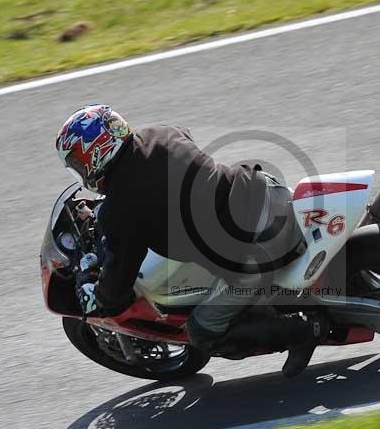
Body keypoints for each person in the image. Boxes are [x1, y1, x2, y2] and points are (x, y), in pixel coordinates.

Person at [55, 104, 328, 377]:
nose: (80, 170)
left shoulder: (121, 210)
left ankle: (302, 332)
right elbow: (165, 170)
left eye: (78, 162)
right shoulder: (159, 133)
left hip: (259, 248)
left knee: (203, 331)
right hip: (265, 187)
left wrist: (96, 297)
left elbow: (118, 285)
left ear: (98, 151)